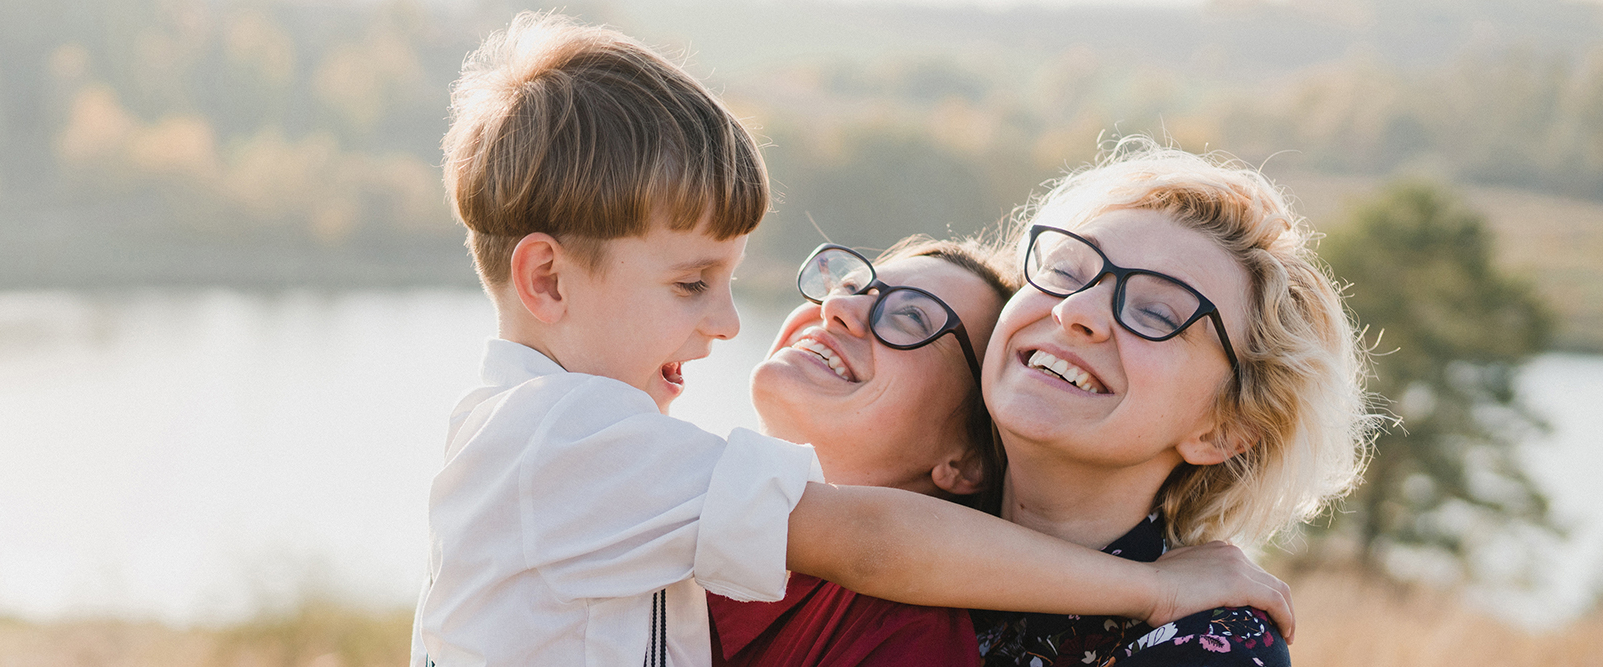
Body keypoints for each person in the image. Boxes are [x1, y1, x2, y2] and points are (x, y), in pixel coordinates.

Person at [411, 15, 1298, 666]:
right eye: (691, 284)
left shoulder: (568, 443)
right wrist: (1152, 587)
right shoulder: (571, 441)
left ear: (960, 459)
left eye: (912, 319)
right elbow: (864, 536)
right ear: (547, 280)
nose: (727, 321)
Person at [972, 139, 1377, 666]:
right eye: (1068, 271)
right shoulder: (886, 499)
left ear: (1222, 431)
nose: (1076, 310)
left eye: (1157, 314)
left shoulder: (1210, 645)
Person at [709, 236, 1017, 667]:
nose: (839, 308)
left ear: (967, 462)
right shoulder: (655, 476)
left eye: (911, 316)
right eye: (849, 287)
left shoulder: (905, 643)